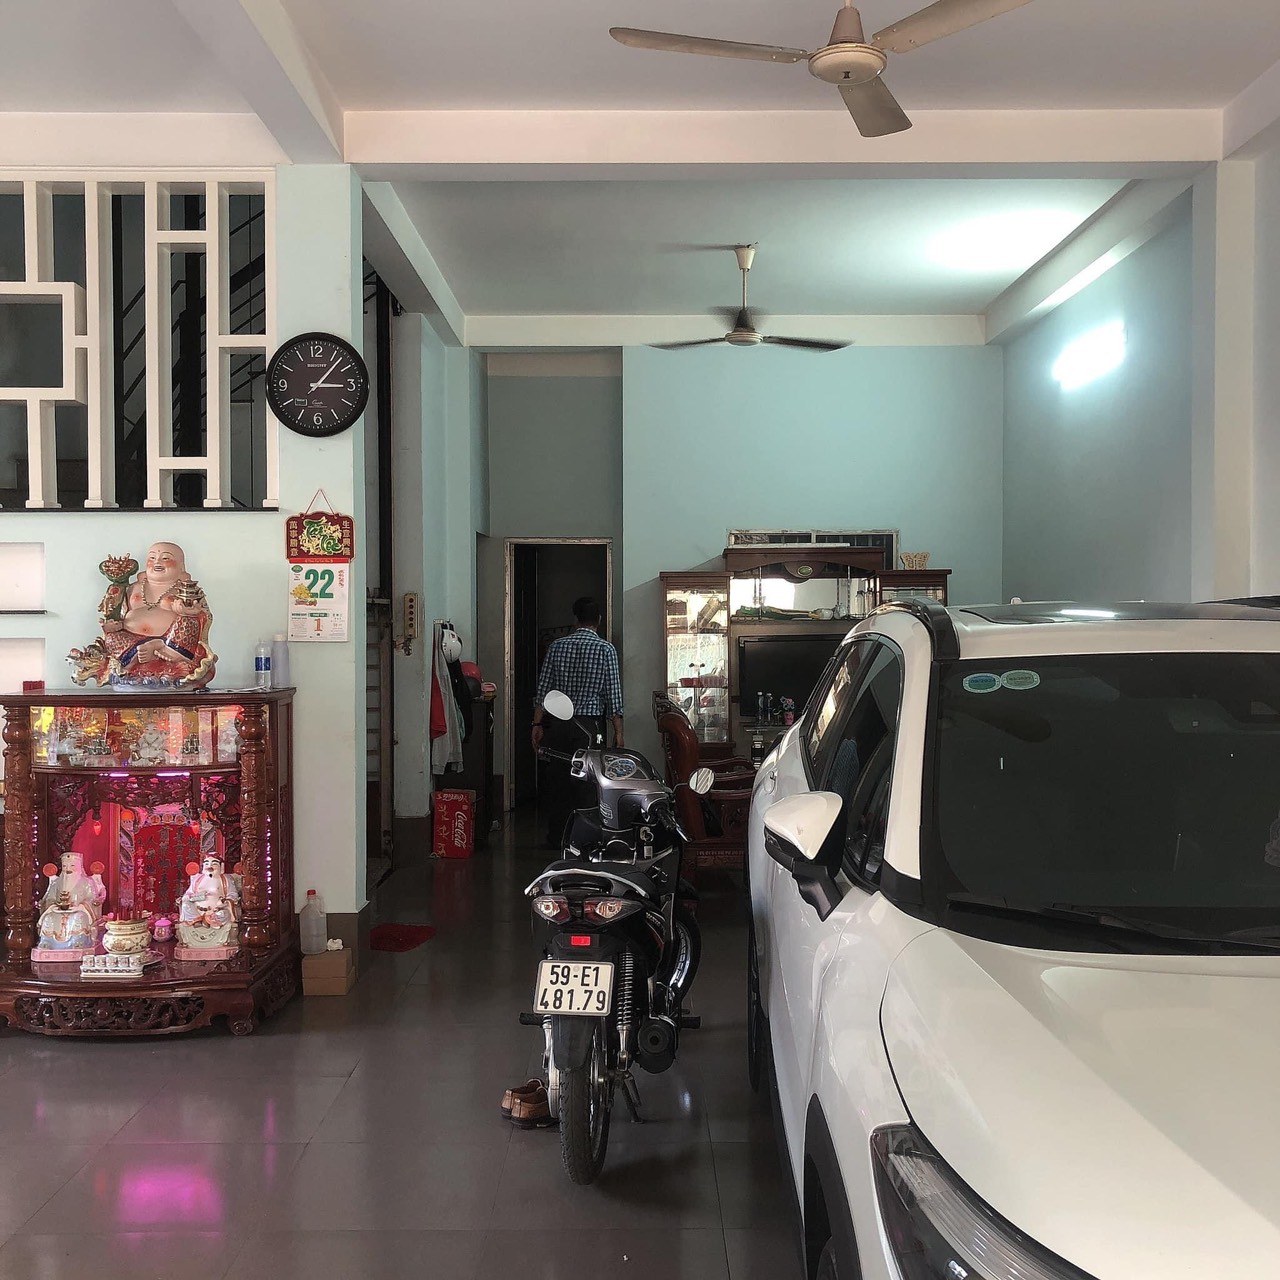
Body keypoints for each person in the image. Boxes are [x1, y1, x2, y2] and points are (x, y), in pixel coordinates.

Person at [531, 596, 624, 846]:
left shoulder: (557, 647)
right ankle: (585, 840)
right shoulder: (606, 650)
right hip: (589, 728)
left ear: (575, 620)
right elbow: (613, 694)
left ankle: (557, 838)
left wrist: (537, 724)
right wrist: (618, 732)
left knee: (558, 782)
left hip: (559, 725)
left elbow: (544, 690)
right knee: (588, 784)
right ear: (599, 620)